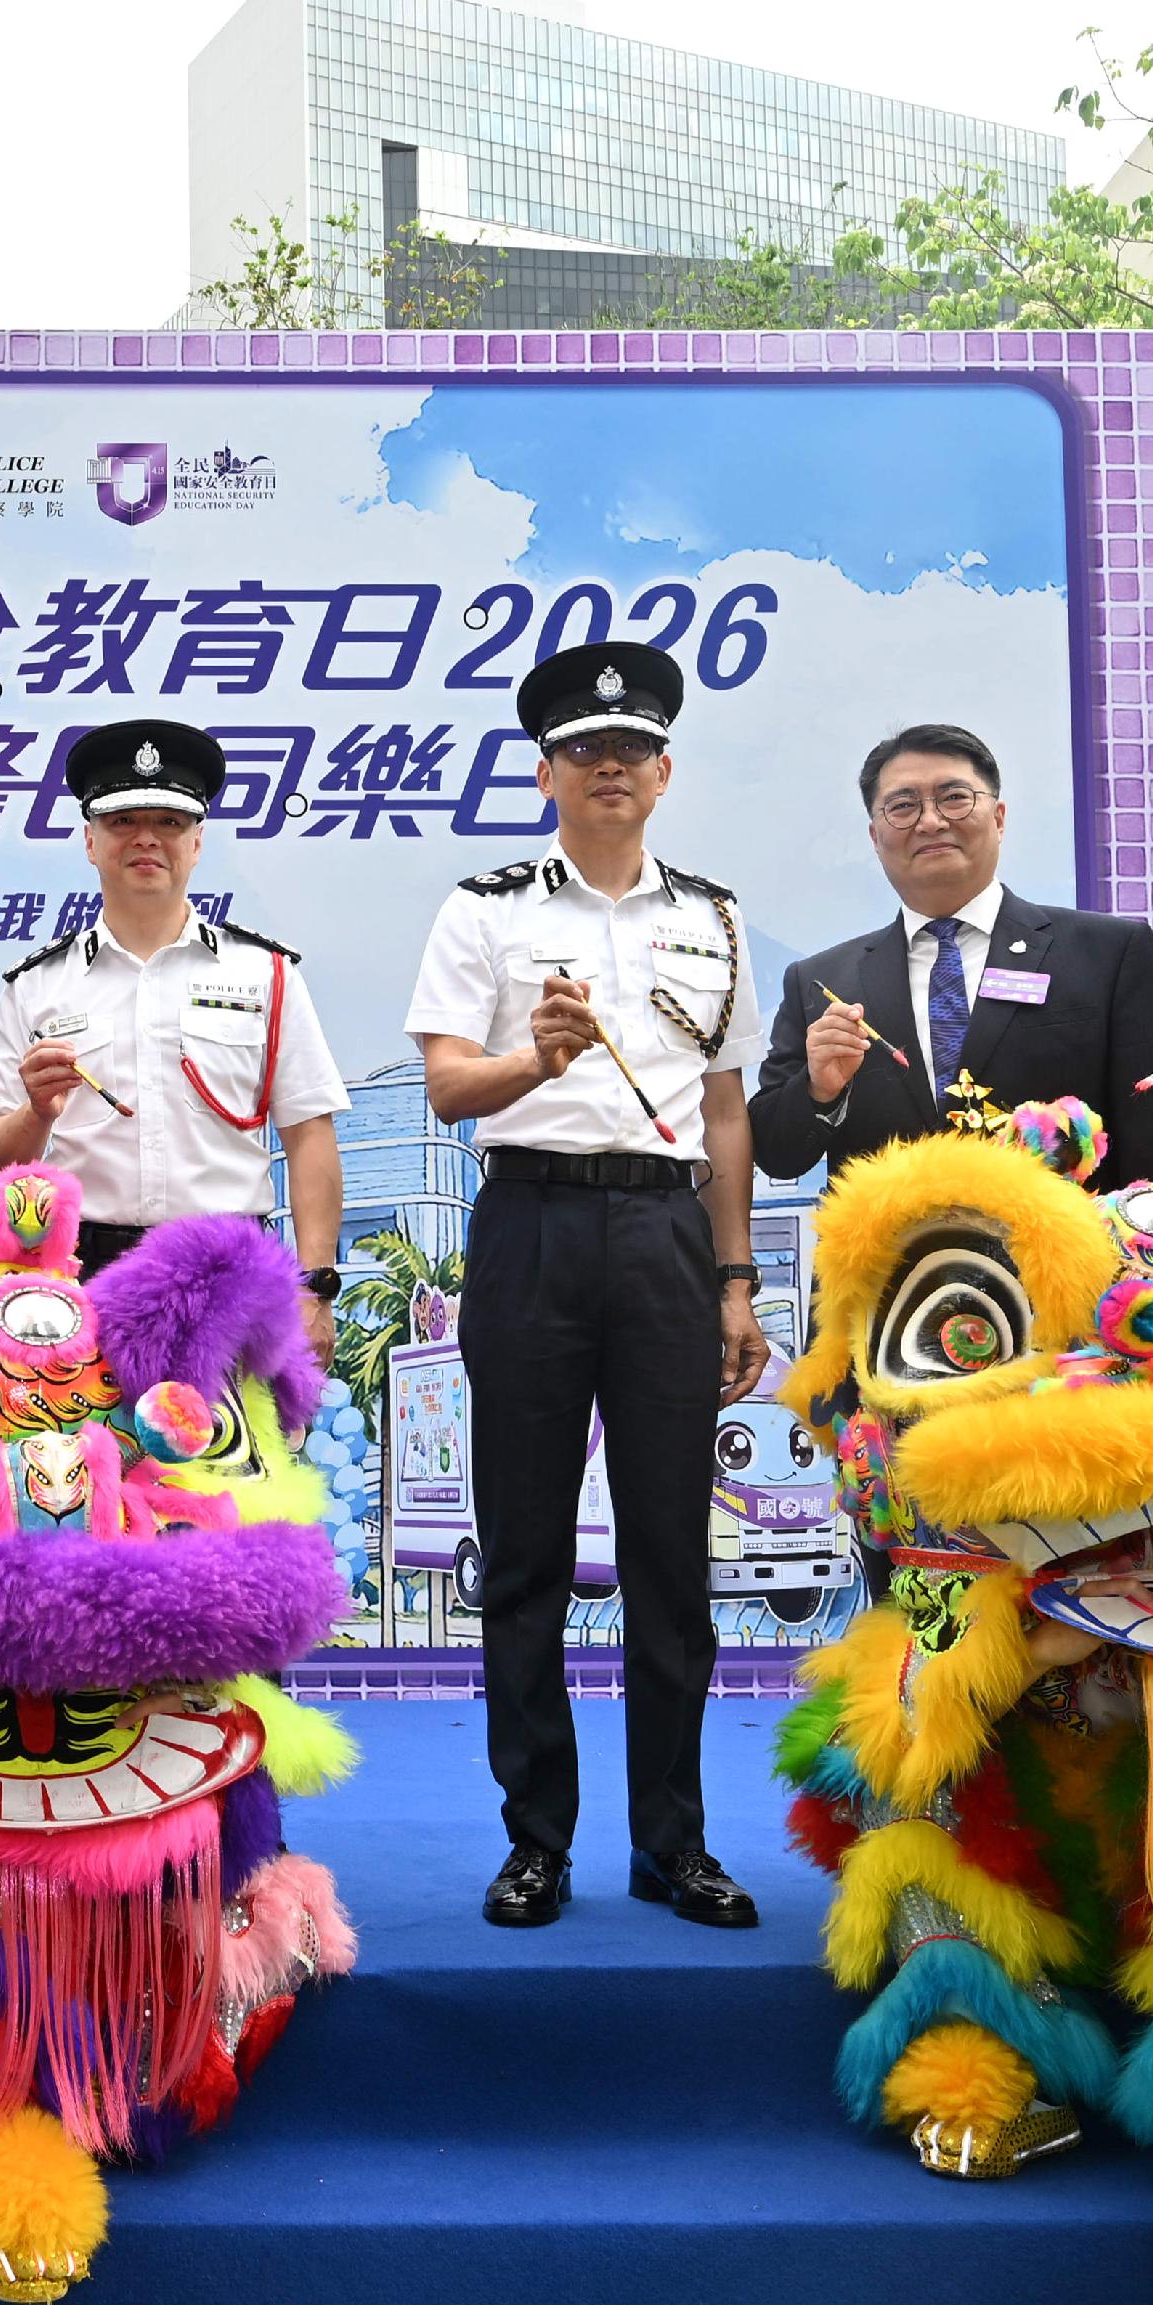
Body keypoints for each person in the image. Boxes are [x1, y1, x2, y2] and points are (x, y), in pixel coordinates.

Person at [406, 640, 769, 1934]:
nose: (608, 765)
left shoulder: (713, 916)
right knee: (525, 1555)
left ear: (663, 774)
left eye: (631, 749)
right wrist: (534, 1061)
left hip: (667, 1238)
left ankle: (673, 1844)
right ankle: (536, 1845)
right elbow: (448, 1088)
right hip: (532, 1227)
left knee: (672, 1555)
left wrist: (736, 1278)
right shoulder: (485, 909)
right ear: (546, 772)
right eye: (583, 749)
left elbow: (724, 1111)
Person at [0, 718, 345, 1342]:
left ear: (197, 842)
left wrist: (315, 1287)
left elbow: (309, 1136)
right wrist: (35, 1113)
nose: (146, 838)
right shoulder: (36, 986)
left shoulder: (265, 974)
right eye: (123, 820)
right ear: (90, 841)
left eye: (169, 822)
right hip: (80, 1280)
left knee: (232, 1416)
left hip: (229, 1276)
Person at [750, 721, 1153, 1190]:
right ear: (875, 837)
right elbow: (777, 1154)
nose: (930, 821)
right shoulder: (823, 982)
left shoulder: (1109, 953)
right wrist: (819, 1089)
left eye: (954, 798)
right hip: (892, 1237)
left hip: (1065, 1234)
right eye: (903, 806)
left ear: (998, 818)